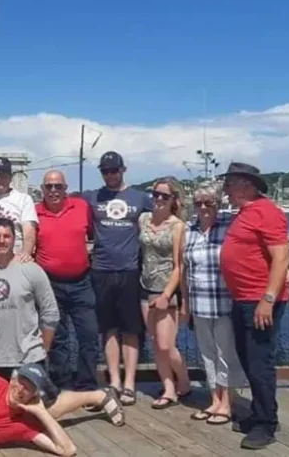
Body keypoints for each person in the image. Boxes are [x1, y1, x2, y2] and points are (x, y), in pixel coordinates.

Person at [219, 162, 289, 450]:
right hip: (242, 298)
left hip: (259, 301)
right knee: (247, 358)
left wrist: (268, 299)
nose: (226, 188)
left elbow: (281, 258)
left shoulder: (268, 212)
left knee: (261, 362)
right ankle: (259, 412)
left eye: (230, 182)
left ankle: (267, 423)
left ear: (246, 185)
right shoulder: (246, 213)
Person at [81, 151, 153, 406]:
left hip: (131, 271)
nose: (110, 175)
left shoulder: (141, 197)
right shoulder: (92, 197)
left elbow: (167, 216)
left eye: (114, 170)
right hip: (101, 270)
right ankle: (114, 381)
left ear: (123, 170)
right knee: (108, 328)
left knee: (131, 329)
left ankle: (130, 383)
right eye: (105, 171)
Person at [181, 184, 246, 426]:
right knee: (207, 354)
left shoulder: (228, 229)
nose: (204, 207)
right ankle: (214, 398)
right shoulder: (189, 232)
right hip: (199, 304)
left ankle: (227, 402)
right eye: (199, 203)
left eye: (209, 202)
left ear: (217, 204)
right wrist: (185, 304)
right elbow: (185, 270)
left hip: (224, 303)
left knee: (225, 353)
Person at [0, 218, 60, 381]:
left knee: (33, 406)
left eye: (6, 236)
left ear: (14, 239)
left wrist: (43, 349)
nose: (2, 241)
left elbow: (50, 313)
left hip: (29, 359)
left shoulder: (32, 270)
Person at [34, 169, 99, 392]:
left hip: (82, 282)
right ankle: (62, 385)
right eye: (49, 186)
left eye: (58, 186)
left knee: (89, 336)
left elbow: (92, 233)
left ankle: (87, 385)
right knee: (57, 340)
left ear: (65, 189)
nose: (53, 191)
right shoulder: (34, 213)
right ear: (42, 189)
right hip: (50, 284)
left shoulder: (81, 207)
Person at [139, 177, 191, 409]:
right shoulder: (143, 219)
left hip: (165, 290)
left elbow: (179, 265)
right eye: (156, 194)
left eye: (164, 196)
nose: (159, 199)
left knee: (165, 345)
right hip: (144, 286)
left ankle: (184, 381)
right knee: (154, 342)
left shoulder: (178, 226)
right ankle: (169, 388)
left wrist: (167, 295)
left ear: (174, 200)